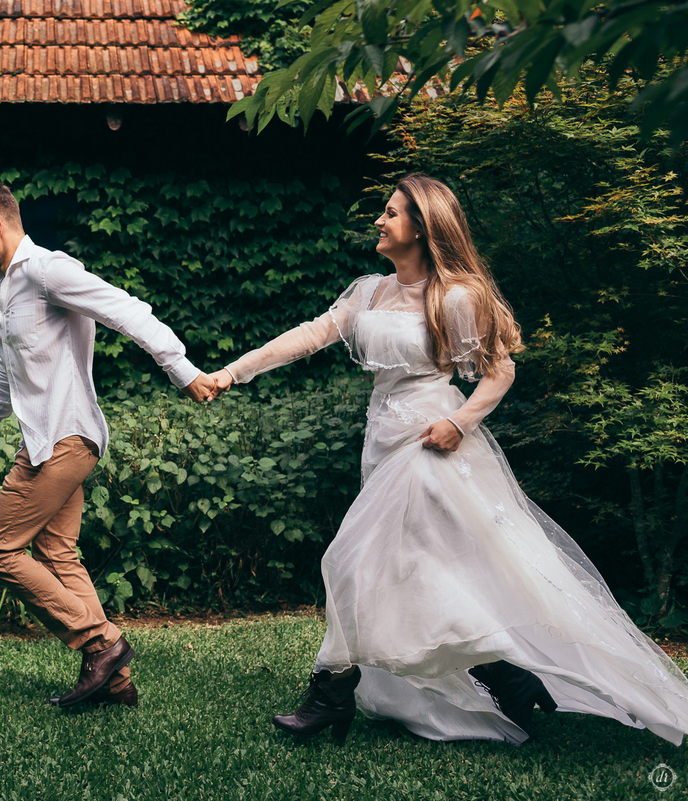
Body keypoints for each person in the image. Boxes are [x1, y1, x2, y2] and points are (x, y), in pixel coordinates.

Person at [208, 174, 688, 745]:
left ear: (423, 226)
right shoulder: (370, 292)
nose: (380, 222)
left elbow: (500, 369)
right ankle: (507, 678)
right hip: (382, 437)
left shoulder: (456, 295)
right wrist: (232, 371)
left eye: (391, 213)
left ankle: (329, 695)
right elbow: (310, 335)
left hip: (429, 440)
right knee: (417, 572)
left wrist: (459, 423)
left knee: (353, 560)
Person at [0, 181, 217, 709]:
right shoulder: (4, 289)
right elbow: (10, 371)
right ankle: (114, 684)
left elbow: (126, 310)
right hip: (43, 438)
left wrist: (181, 369)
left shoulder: (49, 271)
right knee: (56, 551)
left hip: (67, 437)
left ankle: (105, 643)